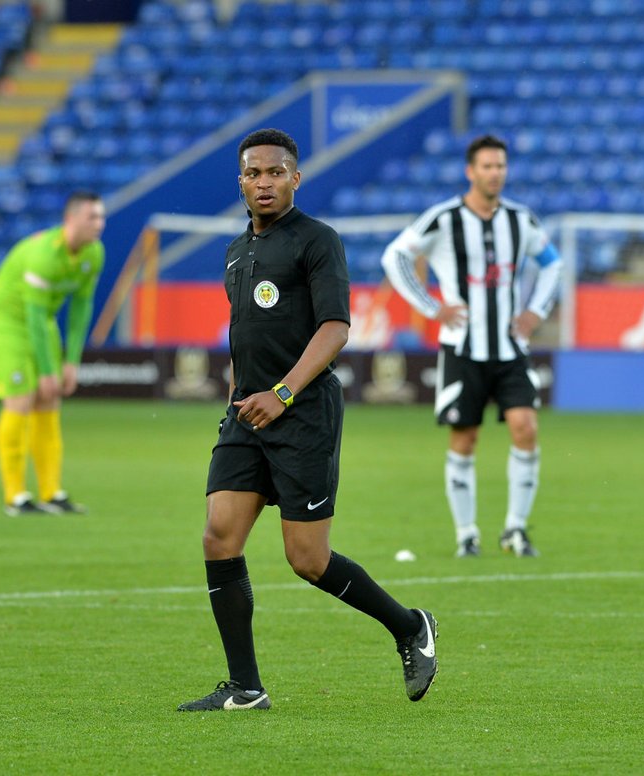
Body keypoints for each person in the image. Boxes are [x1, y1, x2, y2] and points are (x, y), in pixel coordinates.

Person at [178, 128, 437, 712]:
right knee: (219, 536)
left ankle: (408, 626)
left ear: (296, 178)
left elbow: (336, 328)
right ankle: (246, 689)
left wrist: (284, 392)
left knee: (308, 560)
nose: (264, 183)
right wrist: (245, 396)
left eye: (275, 173)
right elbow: (249, 337)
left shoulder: (318, 241)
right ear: (240, 182)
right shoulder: (236, 251)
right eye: (253, 173)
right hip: (247, 412)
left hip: (302, 413)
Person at [380, 134, 562, 559]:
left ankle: (515, 530)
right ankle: (467, 534)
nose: (495, 173)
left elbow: (553, 264)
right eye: (487, 166)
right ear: (470, 171)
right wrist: (430, 306)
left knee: (526, 428)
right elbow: (395, 257)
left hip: (510, 347)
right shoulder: (443, 218)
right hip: (462, 349)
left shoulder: (521, 219)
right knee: (465, 438)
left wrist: (536, 310)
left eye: (500, 166)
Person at [0, 191, 106, 516]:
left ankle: (51, 493)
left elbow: (81, 307)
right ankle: (15, 496)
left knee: (50, 399)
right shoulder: (43, 255)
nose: (100, 224)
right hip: (7, 320)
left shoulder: (94, 253)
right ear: (72, 219)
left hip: (40, 320)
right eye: (93, 217)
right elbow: (33, 317)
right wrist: (48, 371)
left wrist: (71, 362)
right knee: (23, 396)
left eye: (101, 217)